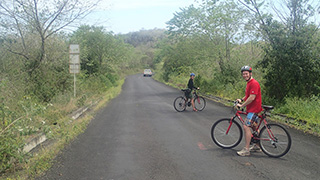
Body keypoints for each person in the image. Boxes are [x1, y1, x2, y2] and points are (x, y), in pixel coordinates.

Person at [236, 66, 263, 156]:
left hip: (254, 109)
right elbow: (248, 96)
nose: (245, 75)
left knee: (246, 126)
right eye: (243, 74)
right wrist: (241, 99)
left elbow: (252, 98)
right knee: (255, 127)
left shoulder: (254, 83)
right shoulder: (249, 83)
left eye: (246, 73)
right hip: (252, 109)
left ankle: (246, 149)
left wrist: (242, 105)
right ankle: (257, 145)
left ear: (250, 74)